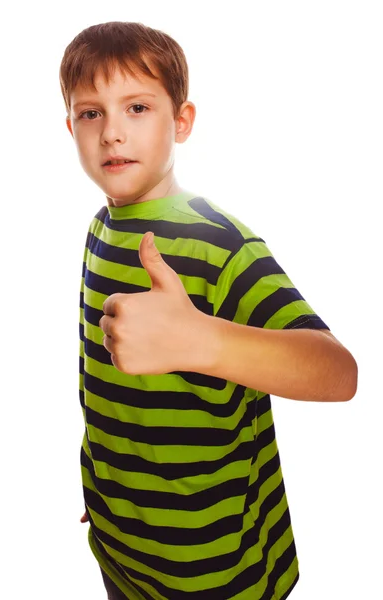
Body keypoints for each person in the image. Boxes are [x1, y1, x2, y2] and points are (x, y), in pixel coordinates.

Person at [59, 21, 357, 600]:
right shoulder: (101, 228)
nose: (113, 133)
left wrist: (204, 342)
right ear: (71, 127)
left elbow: (338, 372)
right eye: (92, 113)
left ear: (182, 122)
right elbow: (101, 388)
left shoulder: (219, 244)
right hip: (122, 544)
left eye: (138, 107)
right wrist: (103, 490)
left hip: (210, 567)